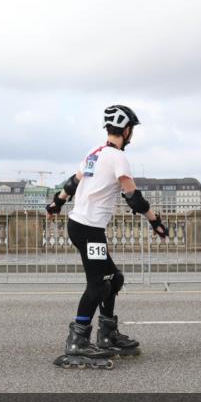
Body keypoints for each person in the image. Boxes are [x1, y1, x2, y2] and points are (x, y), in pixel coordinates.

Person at [45, 105, 169, 369]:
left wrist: (56, 203)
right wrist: (156, 222)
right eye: (131, 129)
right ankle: (77, 341)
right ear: (126, 130)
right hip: (89, 230)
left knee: (114, 278)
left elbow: (73, 182)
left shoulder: (94, 152)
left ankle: (107, 334)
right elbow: (133, 197)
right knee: (98, 284)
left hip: (80, 226)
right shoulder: (117, 157)